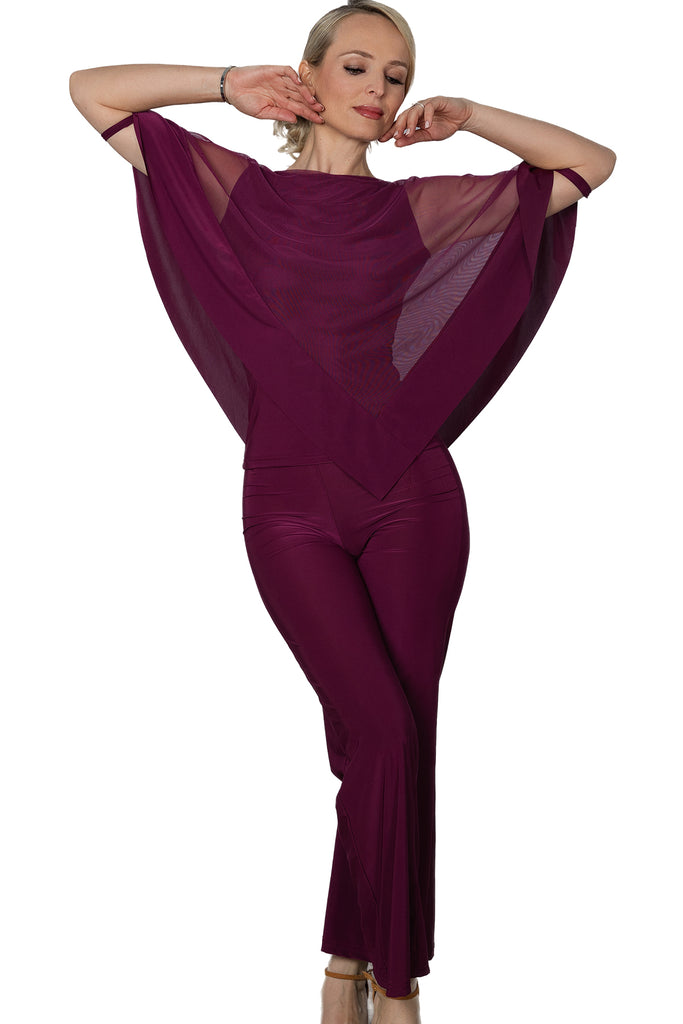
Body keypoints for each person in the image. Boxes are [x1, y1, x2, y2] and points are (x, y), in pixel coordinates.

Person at [69, 2, 615, 1021]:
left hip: (413, 499)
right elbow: (90, 92)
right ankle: (380, 975)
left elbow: (590, 162)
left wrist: (470, 115)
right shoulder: (239, 194)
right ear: (310, 75)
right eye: (357, 66)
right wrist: (226, 85)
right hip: (287, 502)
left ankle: (364, 976)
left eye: (396, 75)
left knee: (398, 736)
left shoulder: (420, 209)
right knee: (377, 731)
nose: (378, 88)